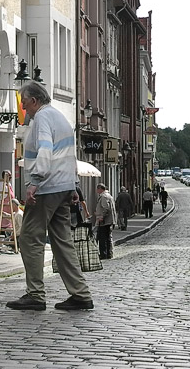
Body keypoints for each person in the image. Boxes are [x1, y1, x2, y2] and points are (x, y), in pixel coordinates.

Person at [6, 81, 94, 311]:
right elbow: (68, 155)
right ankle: (80, 293)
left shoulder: (42, 119)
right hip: (64, 187)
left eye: (24, 103)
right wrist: (74, 185)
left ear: (34, 101)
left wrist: (35, 181)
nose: (23, 108)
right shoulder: (61, 118)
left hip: (47, 187)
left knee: (29, 238)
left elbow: (45, 149)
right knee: (62, 241)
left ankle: (35, 294)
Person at [94, 183, 116, 259]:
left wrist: (101, 217)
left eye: (97, 189)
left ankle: (103, 254)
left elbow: (106, 208)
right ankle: (109, 253)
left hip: (104, 221)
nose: (97, 191)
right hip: (110, 220)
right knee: (108, 237)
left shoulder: (103, 196)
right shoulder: (109, 196)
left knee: (102, 237)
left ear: (100, 189)